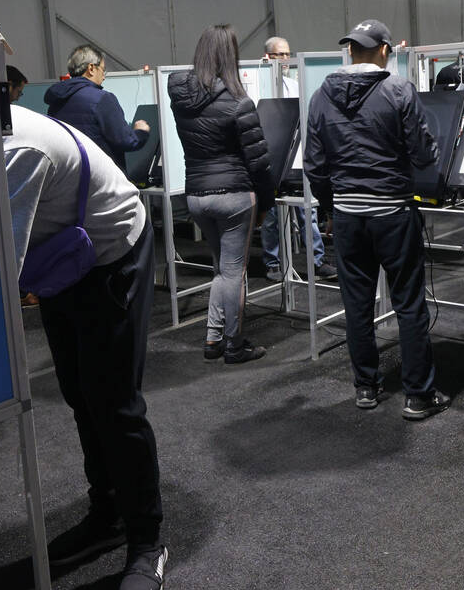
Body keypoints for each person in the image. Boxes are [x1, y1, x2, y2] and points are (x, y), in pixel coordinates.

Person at [4, 104, 166, 590]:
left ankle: (147, 540)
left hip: (109, 252)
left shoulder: (17, 149)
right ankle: (107, 512)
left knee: (114, 404)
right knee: (78, 393)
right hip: (60, 259)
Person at [305, 18, 450, 420]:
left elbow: (314, 165)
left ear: (350, 50)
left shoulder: (320, 96)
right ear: (385, 50)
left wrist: (329, 206)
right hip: (393, 211)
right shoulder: (397, 89)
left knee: (356, 304)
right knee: (408, 302)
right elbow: (423, 153)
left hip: (349, 217)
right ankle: (418, 395)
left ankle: (366, 387)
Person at [168, 25, 274, 363]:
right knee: (234, 272)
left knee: (222, 270)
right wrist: (266, 202)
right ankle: (234, 345)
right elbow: (258, 163)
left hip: (196, 195)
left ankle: (213, 339)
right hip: (233, 196)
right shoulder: (238, 101)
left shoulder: (180, 97)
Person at [258, 35, 335, 282]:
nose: (286, 59)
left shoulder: (294, 85)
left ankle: (317, 260)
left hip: (297, 156)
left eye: (288, 53)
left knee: (308, 213)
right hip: (270, 158)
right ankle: (273, 262)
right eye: (281, 54)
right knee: (271, 216)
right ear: (268, 56)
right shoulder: (261, 84)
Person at [45, 44, 150, 173]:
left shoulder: (56, 101)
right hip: (102, 179)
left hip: (70, 177)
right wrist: (141, 132)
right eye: (103, 70)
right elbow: (126, 141)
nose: (104, 76)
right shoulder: (102, 99)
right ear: (91, 68)